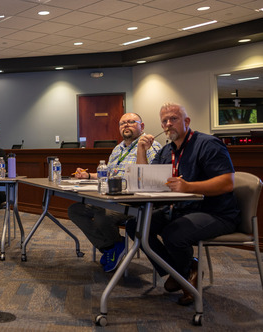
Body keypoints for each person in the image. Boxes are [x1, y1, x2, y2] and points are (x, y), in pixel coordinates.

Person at [128, 102, 241, 305]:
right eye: (164, 121)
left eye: (174, 119)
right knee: (135, 226)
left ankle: (182, 276)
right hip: (182, 210)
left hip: (216, 213)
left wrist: (189, 187)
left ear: (186, 122)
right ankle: (185, 270)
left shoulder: (208, 144)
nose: (168, 124)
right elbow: (145, 180)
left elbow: (227, 183)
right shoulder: (166, 151)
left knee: (174, 233)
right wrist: (141, 150)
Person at [68, 113, 162, 272]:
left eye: (131, 122)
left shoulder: (152, 146)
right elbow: (110, 173)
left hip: (133, 202)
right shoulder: (118, 149)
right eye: (122, 123)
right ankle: (112, 246)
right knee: (75, 210)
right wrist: (89, 175)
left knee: (102, 216)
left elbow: (148, 178)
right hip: (111, 198)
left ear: (142, 126)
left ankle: (113, 247)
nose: (126, 125)